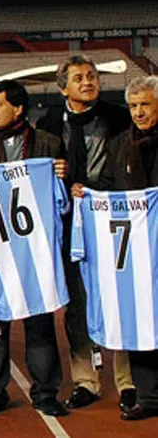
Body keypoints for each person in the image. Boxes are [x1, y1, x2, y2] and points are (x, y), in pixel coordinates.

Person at [0, 80, 69, 418]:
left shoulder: (49, 145)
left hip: (34, 251)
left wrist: (60, 175)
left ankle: (46, 391)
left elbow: (59, 203)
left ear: (19, 108)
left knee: (40, 322)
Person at [35, 55, 135, 411]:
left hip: (113, 221)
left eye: (92, 76)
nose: (88, 81)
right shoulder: (46, 123)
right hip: (66, 226)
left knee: (120, 298)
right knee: (78, 304)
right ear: (63, 86)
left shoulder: (119, 117)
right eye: (79, 77)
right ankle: (85, 379)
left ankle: (128, 381)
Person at [82, 75, 158, 421]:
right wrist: (87, 192)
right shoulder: (118, 144)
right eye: (134, 106)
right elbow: (109, 186)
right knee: (139, 318)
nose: (139, 112)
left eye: (145, 104)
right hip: (137, 254)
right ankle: (149, 396)